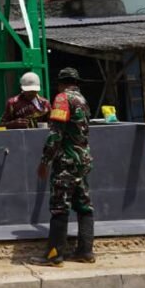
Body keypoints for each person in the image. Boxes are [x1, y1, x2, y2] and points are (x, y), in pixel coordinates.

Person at [32, 67, 95, 266]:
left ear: (60, 83)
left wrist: (44, 162)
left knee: (59, 207)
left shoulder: (61, 99)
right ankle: (85, 252)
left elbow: (56, 134)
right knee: (84, 207)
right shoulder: (83, 101)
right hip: (82, 161)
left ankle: (54, 255)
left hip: (66, 163)